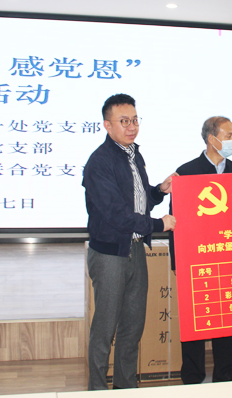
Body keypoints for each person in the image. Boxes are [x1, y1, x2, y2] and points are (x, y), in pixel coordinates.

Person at [83, 93, 177, 390]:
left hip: (135, 249)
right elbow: (116, 215)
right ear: (107, 125)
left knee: (132, 328)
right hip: (110, 255)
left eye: (135, 120)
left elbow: (138, 198)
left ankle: (125, 389)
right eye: (124, 121)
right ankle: (97, 390)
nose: (132, 126)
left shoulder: (134, 154)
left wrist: (159, 190)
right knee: (105, 330)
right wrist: (159, 224)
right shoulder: (99, 162)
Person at [169, 116, 232, 384]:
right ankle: (192, 377)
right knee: (195, 322)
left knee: (227, 320)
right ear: (212, 139)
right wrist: (177, 263)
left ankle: (226, 375)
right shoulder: (187, 172)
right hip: (195, 261)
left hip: (228, 259)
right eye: (228, 135)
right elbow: (175, 222)